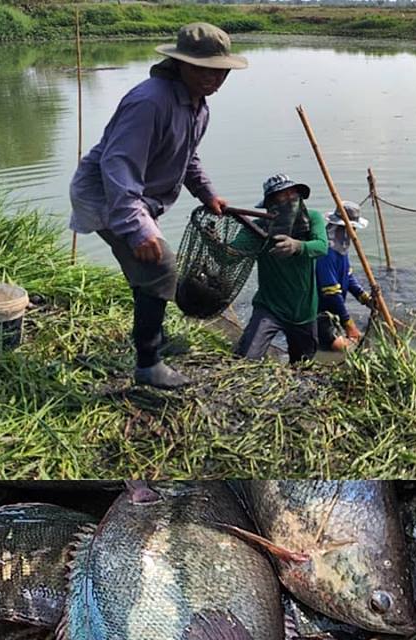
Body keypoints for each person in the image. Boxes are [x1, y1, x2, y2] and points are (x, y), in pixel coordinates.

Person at [69, 23, 246, 389]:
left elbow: (187, 156)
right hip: (106, 194)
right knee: (161, 264)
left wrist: (206, 193)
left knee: (146, 267)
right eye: (203, 69)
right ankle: (148, 363)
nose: (213, 78)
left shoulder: (198, 106)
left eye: (220, 71)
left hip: (138, 197)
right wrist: (137, 228)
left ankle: (153, 335)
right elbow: (118, 166)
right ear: (179, 64)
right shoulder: (150, 102)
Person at [233, 174, 328, 363]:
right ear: (270, 205)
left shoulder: (312, 219)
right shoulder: (258, 228)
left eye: (293, 195)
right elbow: (233, 253)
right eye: (281, 197)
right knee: (246, 360)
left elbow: (322, 246)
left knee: (303, 366)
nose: (289, 200)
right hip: (270, 308)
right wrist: (217, 246)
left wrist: (297, 246)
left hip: (304, 311)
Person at [316, 201, 374, 352]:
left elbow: (348, 277)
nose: (354, 232)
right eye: (352, 228)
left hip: (333, 310)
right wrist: (349, 324)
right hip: (319, 311)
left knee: (359, 340)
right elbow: (331, 293)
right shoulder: (326, 251)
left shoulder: (341, 248)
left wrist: (365, 298)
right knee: (343, 348)